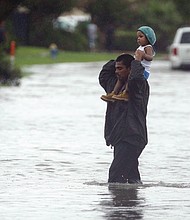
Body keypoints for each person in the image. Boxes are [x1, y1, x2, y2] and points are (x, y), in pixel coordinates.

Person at [99, 52, 149, 183]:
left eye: (120, 68)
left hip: (131, 137)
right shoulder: (114, 87)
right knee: (131, 178)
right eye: (116, 68)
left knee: (115, 176)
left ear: (130, 69)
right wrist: (119, 57)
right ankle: (131, 201)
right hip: (119, 137)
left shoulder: (139, 86)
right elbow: (103, 74)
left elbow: (136, 78)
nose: (116, 71)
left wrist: (136, 61)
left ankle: (118, 201)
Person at [101, 25, 156, 102]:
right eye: (138, 37)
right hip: (135, 68)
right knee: (121, 78)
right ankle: (114, 93)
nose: (138, 39)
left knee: (129, 77)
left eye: (141, 36)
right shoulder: (140, 48)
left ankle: (126, 93)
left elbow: (150, 58)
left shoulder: (148, 47)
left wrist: (143, 55)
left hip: (143, 71)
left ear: (148, 38)